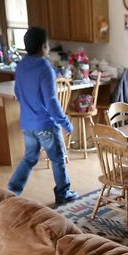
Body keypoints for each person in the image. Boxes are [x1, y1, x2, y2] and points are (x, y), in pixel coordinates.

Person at [7, 27, 80, 205]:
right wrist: (65, 123)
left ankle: (12, 190)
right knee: (58, 159)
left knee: (29, 158)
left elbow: (18, 91)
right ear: (43, 46)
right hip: (45, 124)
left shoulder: (21, 65)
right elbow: (51, 101)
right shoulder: (44, 67)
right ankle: (63, 193)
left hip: (27, 124)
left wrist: (30, 109)